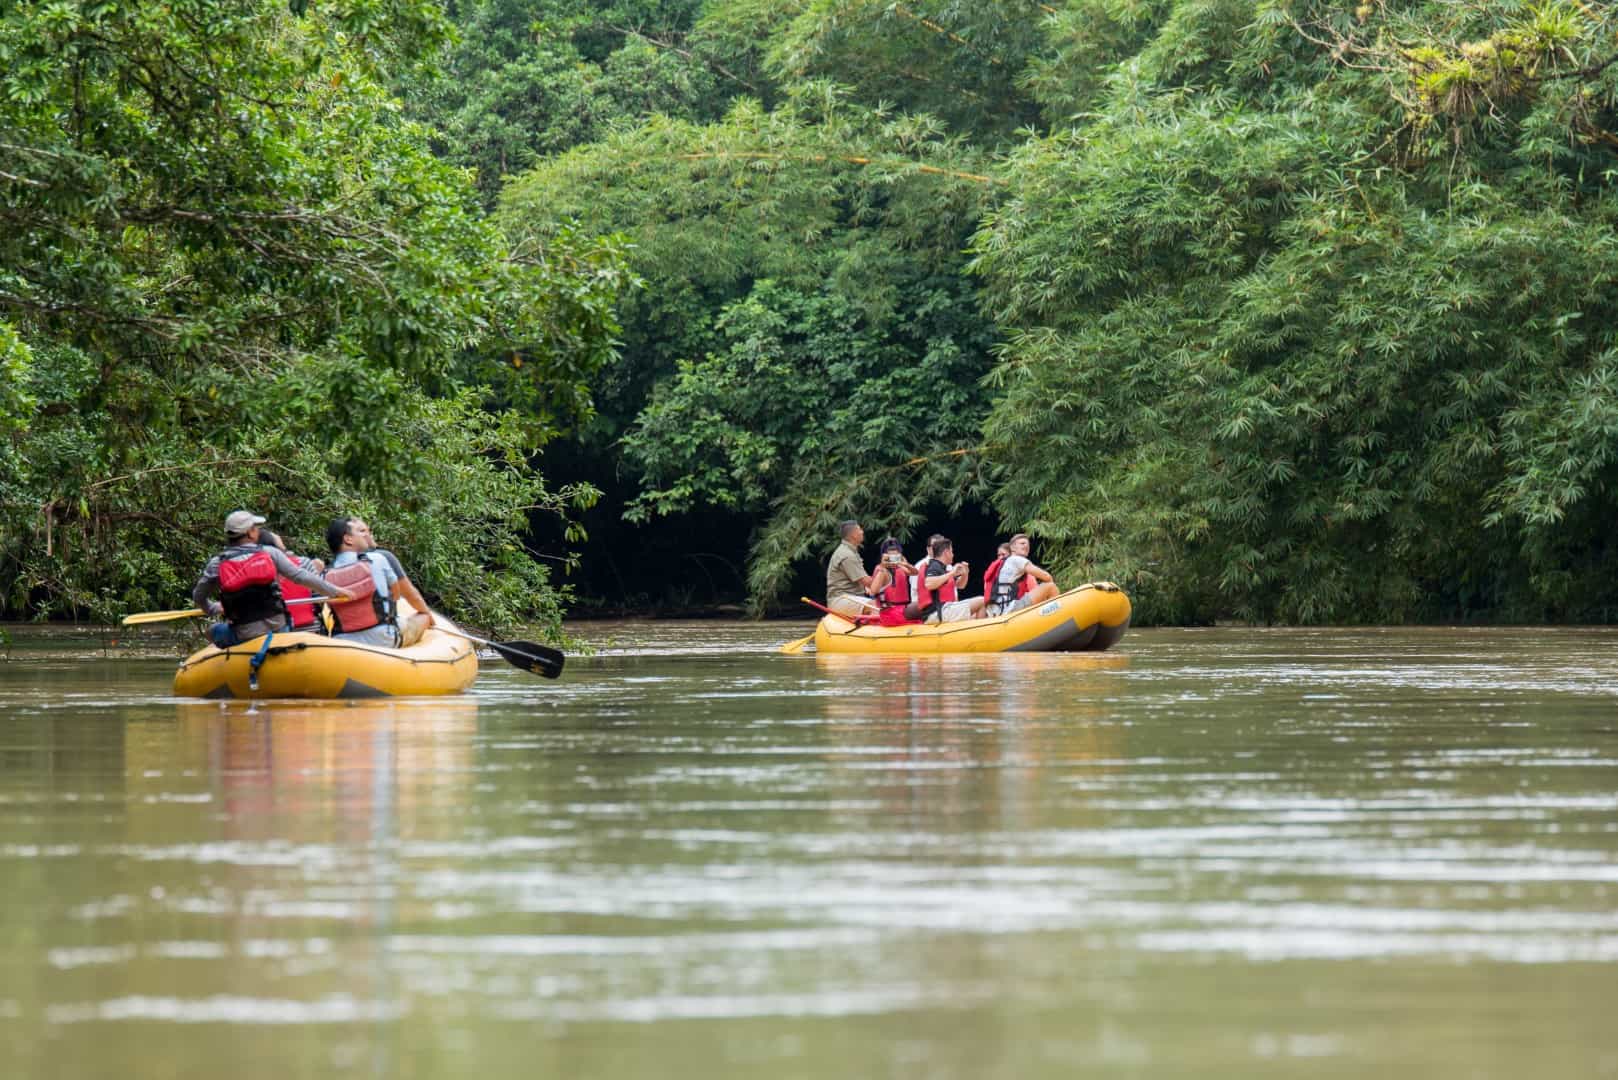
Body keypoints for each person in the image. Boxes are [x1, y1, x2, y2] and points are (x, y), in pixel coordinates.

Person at [193, 511, 353, 647]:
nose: (258, 531)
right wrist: (334, 591)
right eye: (256, 528)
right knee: (284, 619)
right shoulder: (269, 553)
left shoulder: (216, 564)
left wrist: (212, 609)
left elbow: (198, 596)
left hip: (243, 634)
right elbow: (300, 576)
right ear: (250, 533)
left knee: (211, 631)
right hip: (279, 629)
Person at [322, 516, 435, 648]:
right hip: (384, 639)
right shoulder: (378, 558)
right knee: (424, 617)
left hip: (343, 642)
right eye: (360, 531)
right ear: (348, 539)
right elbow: (396, 594)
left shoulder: (324, 574)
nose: (366, 535)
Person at [257, 527, 326, 633]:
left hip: (273, 632)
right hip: (311, 629)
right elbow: (320, 596)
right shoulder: (304, 563)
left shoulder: (256, 572)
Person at [984, 533, 1061, 616]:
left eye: (1028, 545)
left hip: (996, 611)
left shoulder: (1004, 563)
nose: (1026, 546)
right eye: (1022, 543)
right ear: (1012, 548)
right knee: (1050, 586)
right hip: (1009, 609)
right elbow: (1046, 576)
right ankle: (1055, 617)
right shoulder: (1016, 560)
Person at [868, 537, 933, 626]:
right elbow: (873, 592)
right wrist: (883, 567)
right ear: (885, 556)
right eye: (891, 557)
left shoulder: (901, 567)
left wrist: (905, 563)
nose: (893, 560)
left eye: (896, 556)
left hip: (903, 608)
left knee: (925, 604)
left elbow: (915, 572)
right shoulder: (881, 570)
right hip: (890, 610)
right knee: (920, 606)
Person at [919, 536, 985, 622]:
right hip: (937, 613)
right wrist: (952, 573)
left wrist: (965, 574)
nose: (953, 555)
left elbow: (961, 586)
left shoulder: (943, 568)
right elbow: (929, 584)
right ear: (946, 552)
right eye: (952, 551)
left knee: (974, 616)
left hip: (942, 610)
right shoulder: (934, 566)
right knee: (982, 601)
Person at [825, 520, 878, 618]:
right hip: (841, 600)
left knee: (879, 603)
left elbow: (862, 582)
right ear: (853, 535)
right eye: (860, 529)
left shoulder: (849, 551)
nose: (862, 532)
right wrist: (885, 577)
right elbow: (867, 581)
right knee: (875, 605)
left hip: (850, 597)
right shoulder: (847, 555)